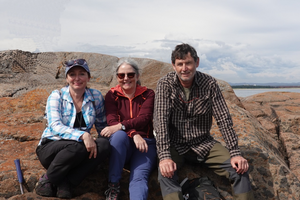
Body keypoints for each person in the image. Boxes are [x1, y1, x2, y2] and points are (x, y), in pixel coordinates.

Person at [153, 43, 254, 200]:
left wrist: (235, 153)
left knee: (239, 169)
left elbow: (223, 119)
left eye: (188, 63)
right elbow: (160, 122)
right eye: (180, 64)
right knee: (165, 174)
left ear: (197, 62)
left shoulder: (210, 84)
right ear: (174, 65)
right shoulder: (165, 84)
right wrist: (165, 157)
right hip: (175, 145)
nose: (184, 68)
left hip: (204, 144)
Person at [35, 59, 110, 199]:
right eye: (72, 74)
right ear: (66, 78)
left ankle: (67, 183)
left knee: (104, 145)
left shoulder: (96, 97)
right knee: (76, 146)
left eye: (81, 74)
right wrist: (83, 135)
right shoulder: (57, 96)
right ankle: (47, 179)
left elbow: (102, 126)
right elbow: (55, 126)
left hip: (78, 151)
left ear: (88, 77)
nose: (77, 78)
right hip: (51, 148)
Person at [100, 58, 157, 200]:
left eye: (130, 75)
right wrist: (134, 133)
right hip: (122, 144)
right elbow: (112, 121)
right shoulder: (112, 95)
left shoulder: (148, 94)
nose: (126, 78)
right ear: (117, 77)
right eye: (121, 75)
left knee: (139, 178)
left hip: (145, 145)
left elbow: (144, 118)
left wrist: (121, 126)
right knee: (119, 136)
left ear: (137, 76)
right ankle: (113, 186)